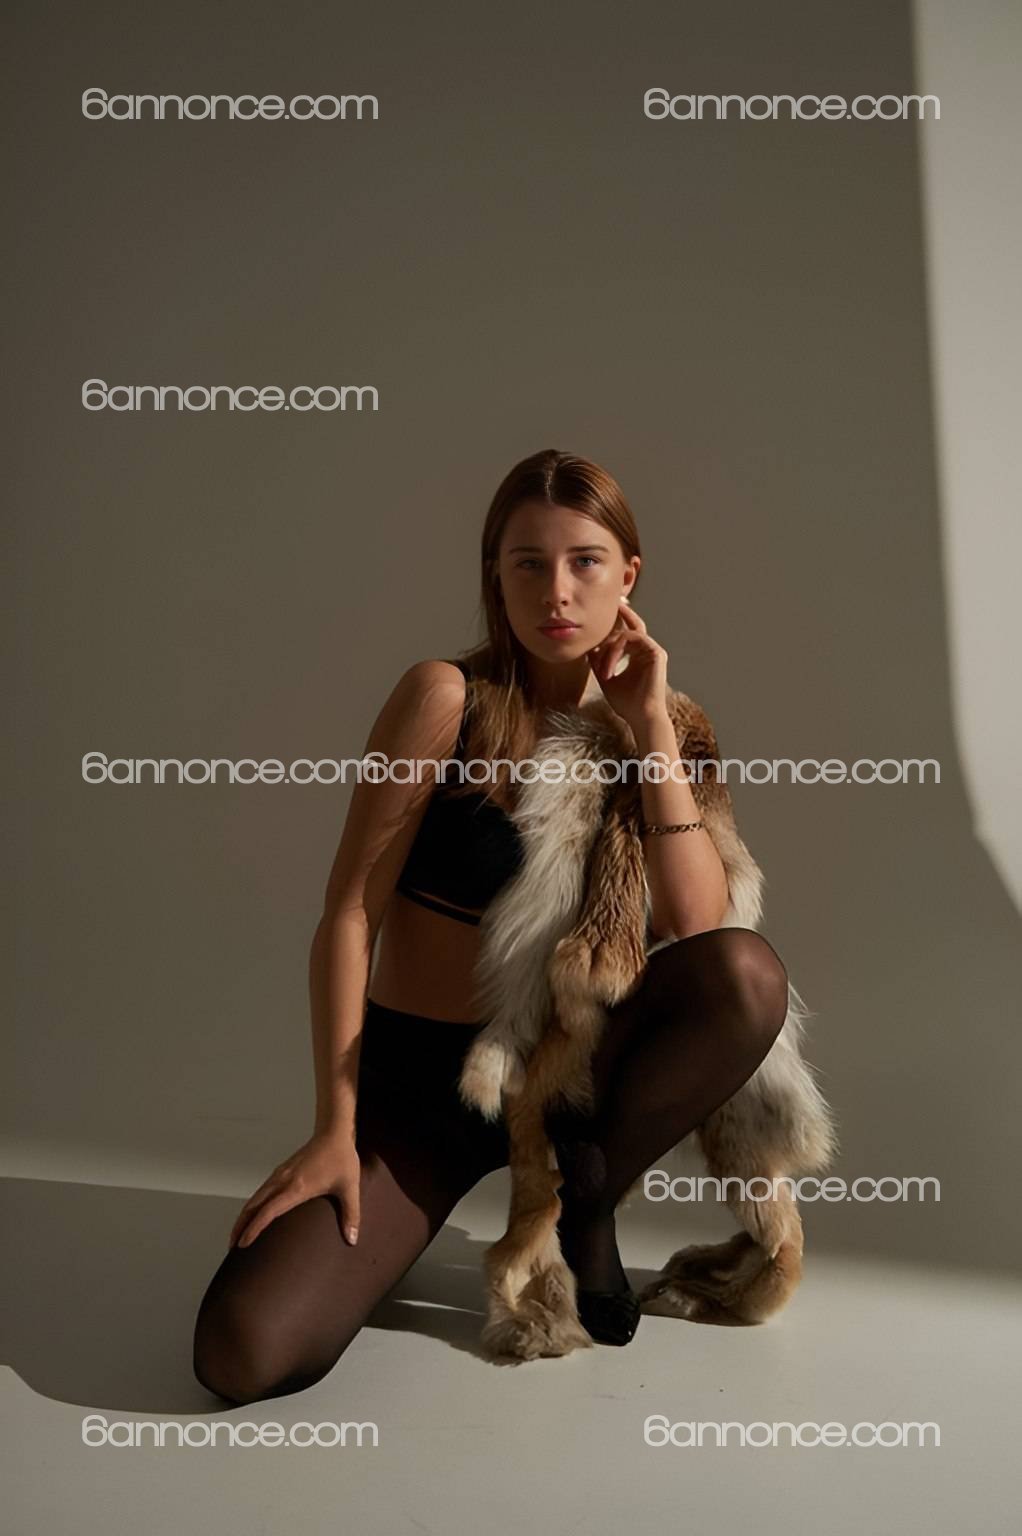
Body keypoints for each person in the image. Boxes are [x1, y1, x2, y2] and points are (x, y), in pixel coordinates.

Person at [192, 448, 792, 1404]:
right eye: (528, 563)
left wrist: (650, 728)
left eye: (586, 561)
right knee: (243, 1353)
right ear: (495, 576)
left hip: (571, 1083)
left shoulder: (665, 724)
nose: (557, 590)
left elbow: (696, 922)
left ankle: (587, 1201)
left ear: (628, 576)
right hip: (429, 1087)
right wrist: (333, 1129)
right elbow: (349, 913)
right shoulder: (446, 699)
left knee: (747, 976)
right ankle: (447, 1183)